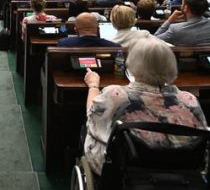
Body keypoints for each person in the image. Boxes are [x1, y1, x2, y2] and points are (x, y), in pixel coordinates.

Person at [83, 38, 207, 176]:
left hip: (125, 171)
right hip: (182, 172)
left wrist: (93, 85)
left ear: (132, 64)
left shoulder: (115, 95)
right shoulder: (190, 100)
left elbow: (91, 115)